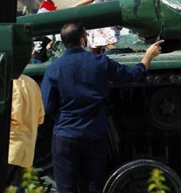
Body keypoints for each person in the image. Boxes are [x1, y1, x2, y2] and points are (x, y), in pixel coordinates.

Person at [40, 22, 164, 193]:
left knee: (66, 188)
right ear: (83, 38)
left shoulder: (53, 69)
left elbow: (47, 106)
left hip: (65, 135)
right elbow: (133, 75)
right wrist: (148, 56)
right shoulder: (100, 62)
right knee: (94, 186)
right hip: (95, 134)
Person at [6, 74, 45, 188]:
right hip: (27, 152)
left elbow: (13, 115)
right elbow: (41, 117)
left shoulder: (6, 84)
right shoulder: (32, 83)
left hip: (7, 151)